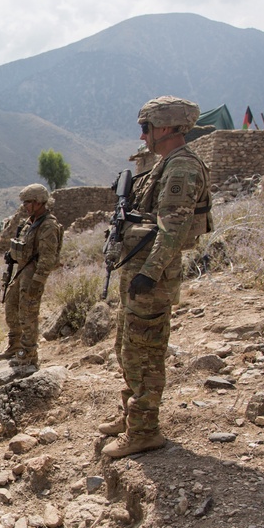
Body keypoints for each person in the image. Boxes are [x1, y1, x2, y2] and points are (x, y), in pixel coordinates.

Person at [101, 96, 210, 459]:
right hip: (139, 274)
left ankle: (145, 430)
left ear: (164, 127)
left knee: (144, 354)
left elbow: (173, 229)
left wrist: (149, 273)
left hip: (152, 277)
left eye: (146, 127)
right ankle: (132, 414)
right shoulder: (164, 165)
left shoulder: (182, 168)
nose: (142, 134)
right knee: (126, 348)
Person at [0, 184, 63, 368]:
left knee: (28, 314)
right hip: (22, 271)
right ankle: (15, 345)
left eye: (28, 202)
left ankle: (28, 353)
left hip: (33, 274)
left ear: (39, 202)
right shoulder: (31, 222)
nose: (25, 206)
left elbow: (48, 257)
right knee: (11, 307)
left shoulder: (48, 225)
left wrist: (38, 281)